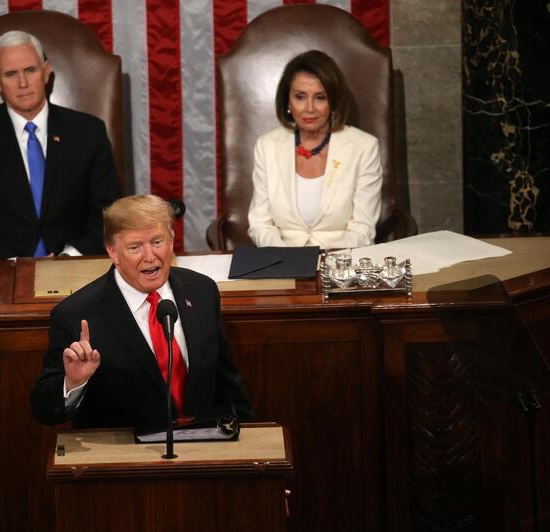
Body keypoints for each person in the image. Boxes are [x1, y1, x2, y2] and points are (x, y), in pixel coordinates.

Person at [31, 194, 255, 429]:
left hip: (202, 443)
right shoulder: (75, 314)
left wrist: (250, 438)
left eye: (157, 242)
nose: (150, 256)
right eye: (135, 247)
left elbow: (228, 379)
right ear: (113, 252)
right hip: (124, 455)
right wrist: (73, 382)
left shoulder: (202, 291)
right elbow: (45, 410)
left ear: (171, 240)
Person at [0, 31, 120, 260]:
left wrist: (70, 257)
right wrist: (13, 264)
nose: (23, 83)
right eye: (10, 74)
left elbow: (108, 212)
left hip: (76, 266)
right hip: (2, 270)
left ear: (46, 72)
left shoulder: (88, 132)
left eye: (30, 70)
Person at [247, 50, 382, 249]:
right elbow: (260, 224)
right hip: (282, 262)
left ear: (333, 102)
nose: (309, 108)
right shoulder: (266, 146)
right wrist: (288, 259)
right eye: (300, 97)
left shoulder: (364, 147)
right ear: (288, 102)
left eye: (320, 97)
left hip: (341, 265)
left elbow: (363, 228)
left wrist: (323, 260)